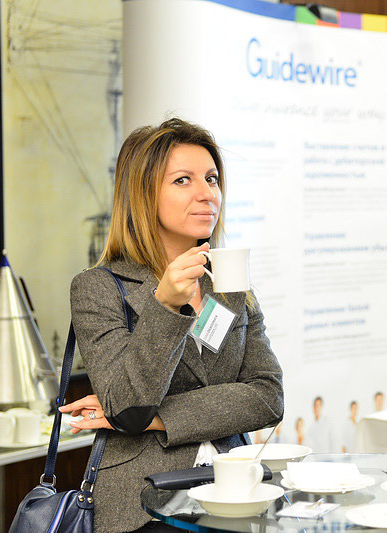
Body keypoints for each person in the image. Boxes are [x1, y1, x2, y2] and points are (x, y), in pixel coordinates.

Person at [58, 117, 284, 532]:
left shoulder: (229, 282)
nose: (207, 194)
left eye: (211, 179)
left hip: (236, 492)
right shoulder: (98, 287)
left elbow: (268, 397)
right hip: (142, 506)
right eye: (183, 180)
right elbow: (128, 408)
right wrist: (164, 306)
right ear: (142, 195)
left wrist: (159, 418)